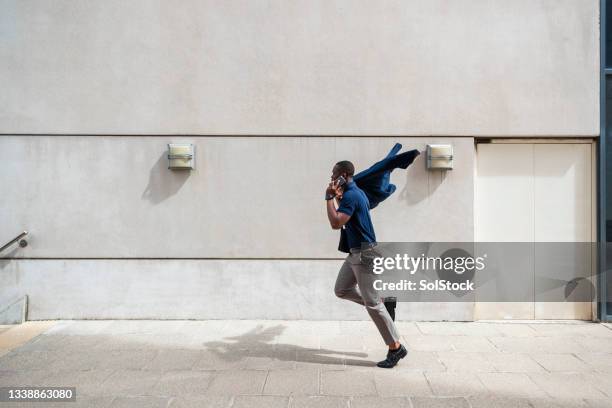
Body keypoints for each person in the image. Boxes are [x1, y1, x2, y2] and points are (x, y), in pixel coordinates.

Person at [325, 160, 407, 368]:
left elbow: (336, 223)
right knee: (341, 290)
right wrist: (337, 196)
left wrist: (328, 199)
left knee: (372, 305)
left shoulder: (352, 195)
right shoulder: (351, 193)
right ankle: (383, 304)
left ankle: (396, 348)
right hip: (355, 253)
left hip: (365, 254)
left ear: (344, 174)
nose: (332, 177)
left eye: (334, 174)